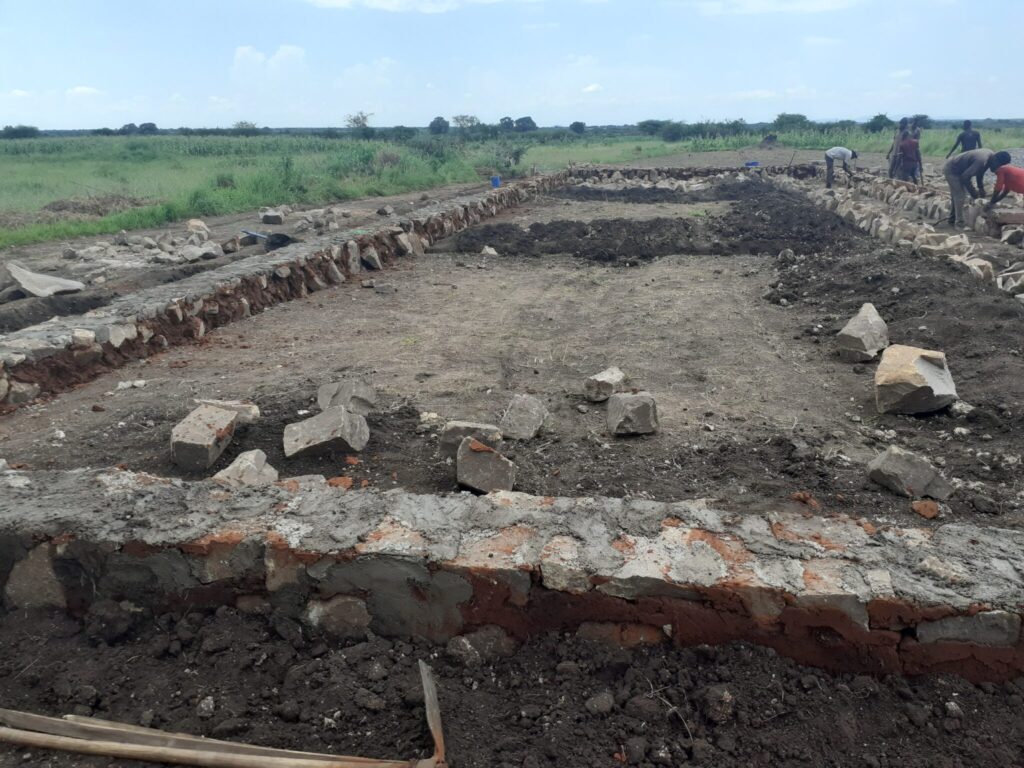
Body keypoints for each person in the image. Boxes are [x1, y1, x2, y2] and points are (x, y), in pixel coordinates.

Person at [943, 148, 997, 228]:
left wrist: (981, 188)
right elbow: (965, 177)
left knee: (956, 195)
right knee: (960, 195)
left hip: (958, 168)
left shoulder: (989, 156)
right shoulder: (981, 160)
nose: (995, 170)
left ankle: (952, 219)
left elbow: (980, 172)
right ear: (996, 161)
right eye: (997, 166)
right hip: (952, 169)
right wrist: (974, 194)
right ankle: (959, 224)